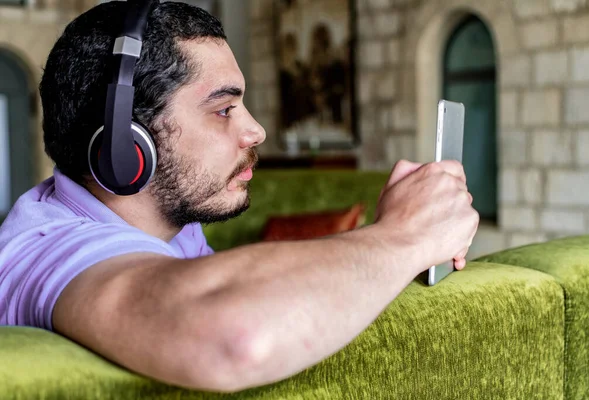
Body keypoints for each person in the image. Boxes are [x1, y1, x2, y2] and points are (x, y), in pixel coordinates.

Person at [0, 0, 479, 394]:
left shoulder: (166, 219)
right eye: (224, 109)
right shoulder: (44, 247)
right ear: (126, 148)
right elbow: (236, 335)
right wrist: (401, 236)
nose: (256, 130)